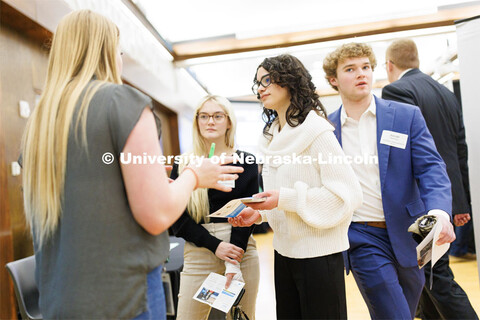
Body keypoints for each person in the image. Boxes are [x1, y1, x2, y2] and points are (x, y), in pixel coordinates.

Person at [20, 10, 243, 319]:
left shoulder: (39, 123)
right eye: (119, 51)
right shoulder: (122, 102)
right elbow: (157, 215)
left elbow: (86, 195)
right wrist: (193, 175)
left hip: (60, 297)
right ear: (108, 52)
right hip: (122, 295)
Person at [322, 42, 456, 320]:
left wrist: (440, 212)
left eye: (366, 67)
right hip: (361, 237)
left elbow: (431, 167)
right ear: (333, 80)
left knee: (401, 310)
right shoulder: (326, 130)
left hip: (410, 234)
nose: (361, 74)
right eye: (350, 69)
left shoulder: (406, 116)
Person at [230, 54, 363, 319]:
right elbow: (277, 195)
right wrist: (260, 213)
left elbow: (347, 195)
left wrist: (282, 199)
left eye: (267, 80)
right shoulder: (271, 135)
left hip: (319, 255)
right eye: (258, 83)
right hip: (284, 251)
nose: (261, 88)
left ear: (289, 81)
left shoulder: (317, 131)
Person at [382, 38, 478, 320]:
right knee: (425, 275)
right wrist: (460, 203)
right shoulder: (444, 91)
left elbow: (400, 153)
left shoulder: (396, 90)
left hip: (421, 201)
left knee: (436, 277)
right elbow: (459, 150)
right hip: (443, 197)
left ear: (389, 65)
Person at [170, 95, 260, 320]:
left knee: (241, 316)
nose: (210, 121)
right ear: (197, 122)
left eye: (217, 116)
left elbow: (246, 209)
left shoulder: (246, 161)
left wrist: (233, 256)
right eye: (204, 116)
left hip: (241, 251)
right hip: (199, 250)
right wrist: (215, 246)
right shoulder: (183, 164)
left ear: (229, 122)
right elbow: (177, 218)